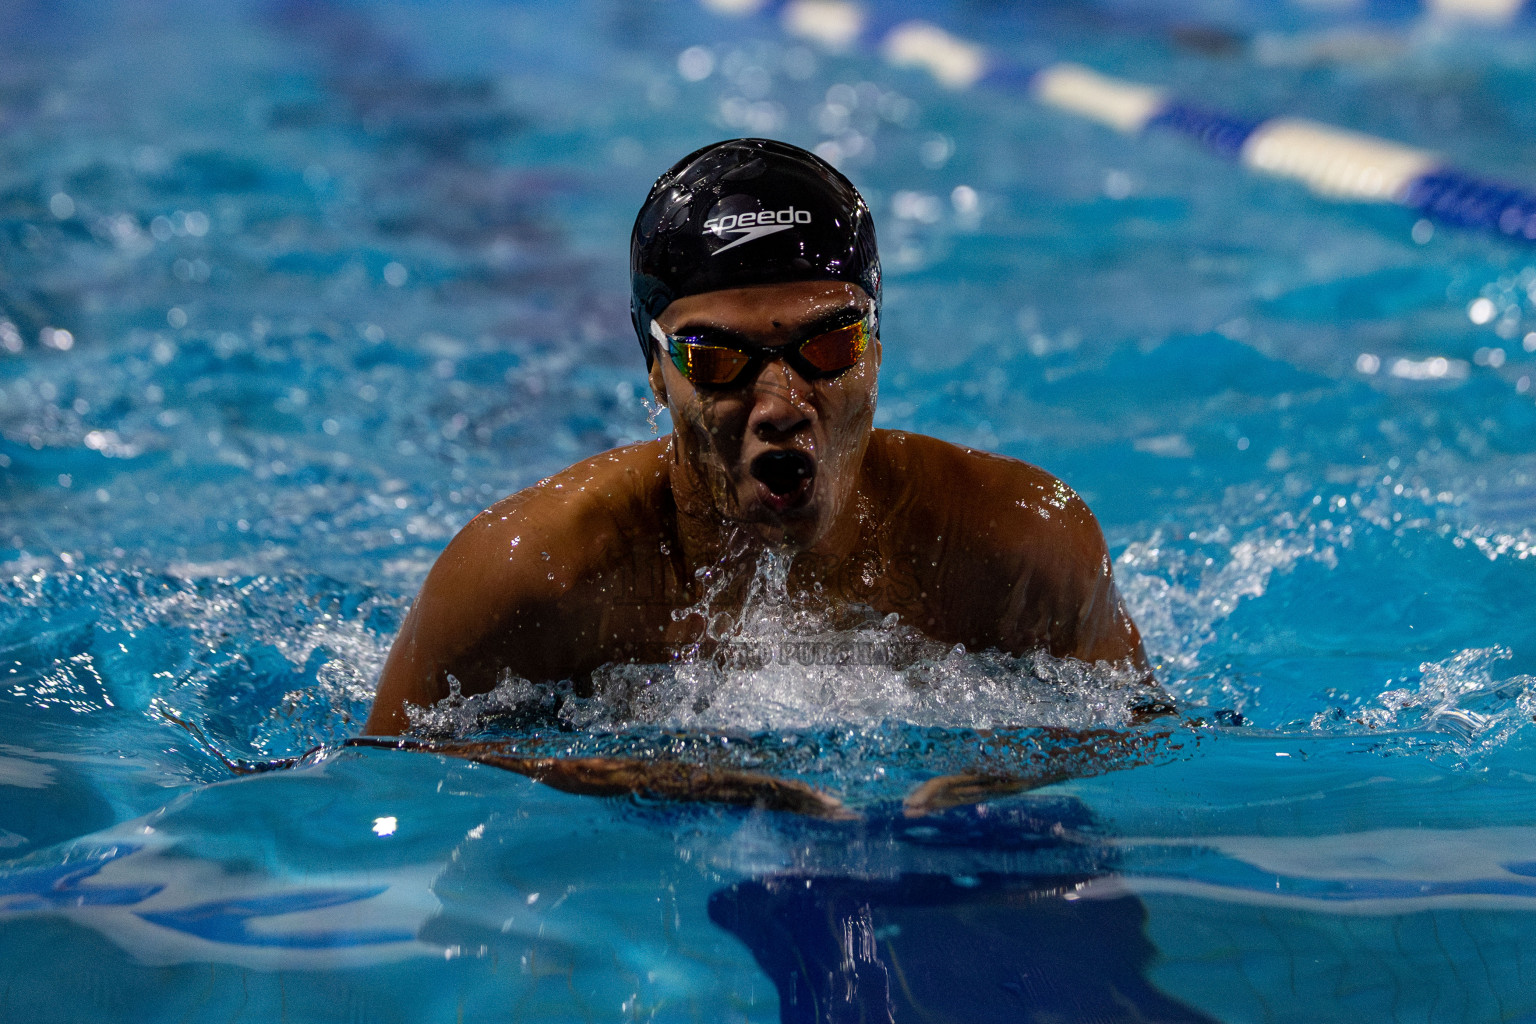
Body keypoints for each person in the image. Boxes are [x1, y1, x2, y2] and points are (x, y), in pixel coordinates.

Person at [360, 138, 1159, 816]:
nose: (782, 404)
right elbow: (384, 776)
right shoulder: (530, 574)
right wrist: (639, 782)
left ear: (877, 349)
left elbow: (1144, 735)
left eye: (830, 346)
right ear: (654, 372)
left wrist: (1009, 780)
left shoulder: (1021, 541)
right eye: (717, 358)